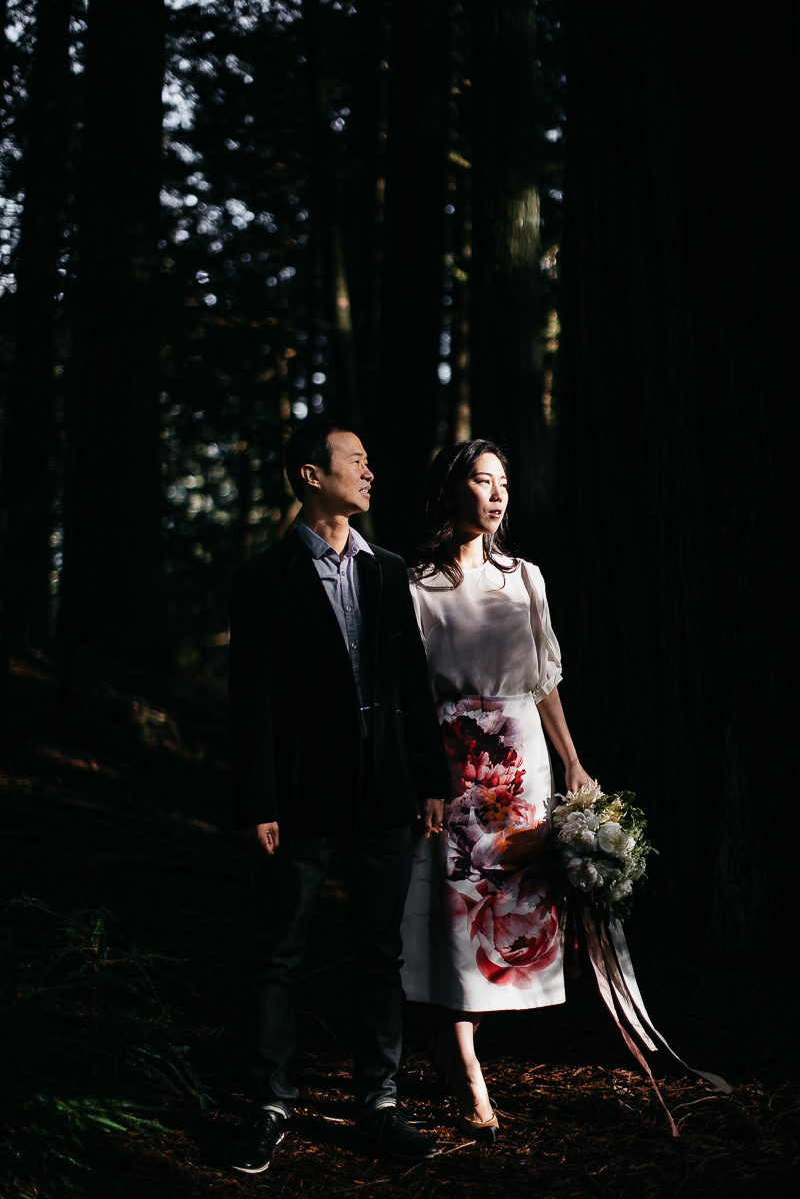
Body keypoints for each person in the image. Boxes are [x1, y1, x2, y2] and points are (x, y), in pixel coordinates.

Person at [226, 423, 450, 1172]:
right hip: (299, 800)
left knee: (379, 952)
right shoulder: (264, 577)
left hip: (383, 794)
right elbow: (250, 701)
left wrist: (430, 779)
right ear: (310, 476)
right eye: (355, 461)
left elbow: (411, 681)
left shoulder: (387, 570)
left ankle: (379, 1102)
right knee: (278, 952)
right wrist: (259, 802)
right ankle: (269, 1102)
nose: (369, 472)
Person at [400, 439, 592, 1142]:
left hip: (523, 765)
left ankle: (450, 1042)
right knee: (459, 911)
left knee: (510, 914)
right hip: (453, 766)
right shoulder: (417, 586)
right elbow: (407, 695)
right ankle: (463, 1062)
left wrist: (571, 763)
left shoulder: (526, 580)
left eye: (503, 482)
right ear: (452, 490)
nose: (497, 494)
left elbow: (544, 683)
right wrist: (423, 776)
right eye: (482, 481)